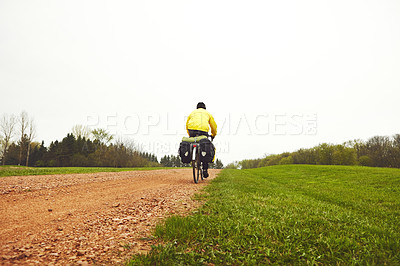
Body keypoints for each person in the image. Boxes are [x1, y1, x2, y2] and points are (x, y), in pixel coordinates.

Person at [186, 102, 217, 178]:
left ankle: (193, 158)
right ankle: (205, 170)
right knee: (206, 147)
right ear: (205, 108)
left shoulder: (192, 113)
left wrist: (190, 135)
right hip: (203, 131)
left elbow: (187, 125)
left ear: (197, 108)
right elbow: (214, 126)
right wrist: (213, 135)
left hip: (191, 131)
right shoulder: (208, 113)